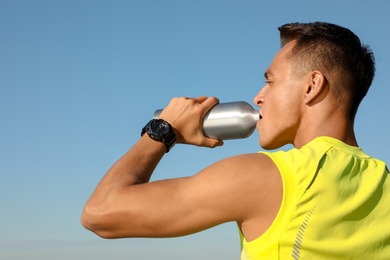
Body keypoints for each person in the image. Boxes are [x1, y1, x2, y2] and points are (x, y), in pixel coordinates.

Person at [81, 22, 390, 259]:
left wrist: (163, 129)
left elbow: (100, 213)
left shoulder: (269, 178)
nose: (259, 96)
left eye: (270, 81)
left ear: (312, 86)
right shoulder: (383, 183)